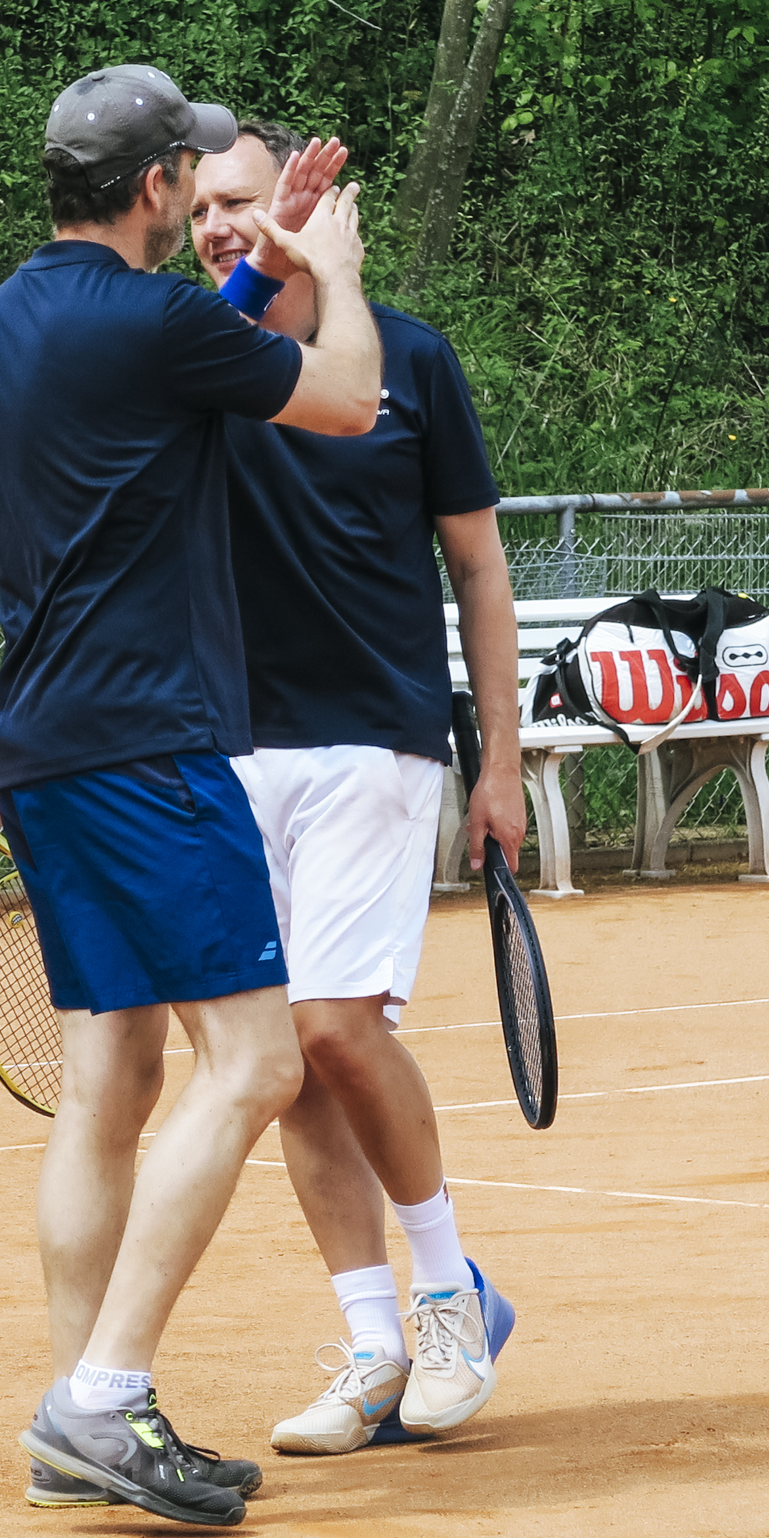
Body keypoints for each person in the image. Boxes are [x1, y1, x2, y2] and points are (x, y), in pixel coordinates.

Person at [0, 65, 382, 1528]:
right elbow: (349, 400)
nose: (196, 191)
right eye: (188, 172)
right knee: (254, 1064)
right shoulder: (158, 322)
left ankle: (77, 1413)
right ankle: (101, 1400)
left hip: (44, 752)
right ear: (154, 189)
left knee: (110, 1081)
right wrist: (332, 270)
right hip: (148, 748)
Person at [187, 120, 529, 1454]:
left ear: (304, 203)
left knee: (336, 1027)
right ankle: (374, 1346)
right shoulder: (199, 362)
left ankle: (451, 1297)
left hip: (376, 740)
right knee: (287, 1064)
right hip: (232, 750)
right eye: (200, 207)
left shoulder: (413, 359)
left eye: (244, 199)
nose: (220, 223)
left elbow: (480, 569)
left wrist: (499, 761)